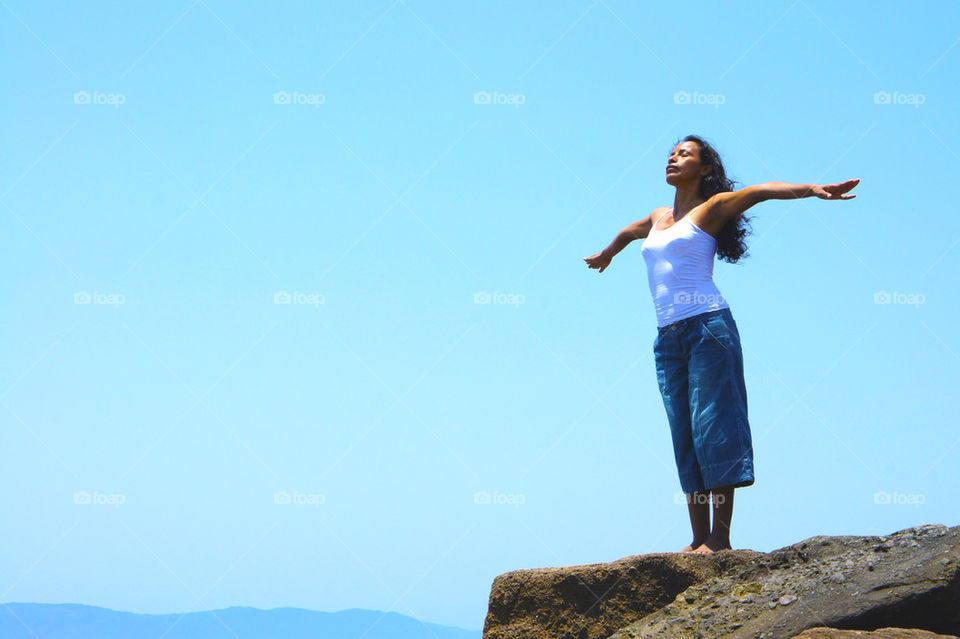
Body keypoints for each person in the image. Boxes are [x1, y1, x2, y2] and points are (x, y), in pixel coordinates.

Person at [583, 135, 859, 553]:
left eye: (684, 154)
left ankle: (720, 538)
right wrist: (608, 253)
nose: (673, 158)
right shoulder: (660, 217)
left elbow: (760, 192)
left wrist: (814, 189)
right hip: (668, 337)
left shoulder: (710, 209)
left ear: (705, 168)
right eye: (671, 153)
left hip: (708, 328)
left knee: (714, 426)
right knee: (685, 432)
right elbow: (628, 231)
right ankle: (697, 537)